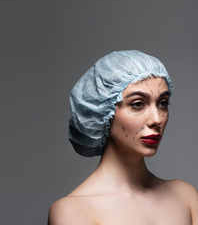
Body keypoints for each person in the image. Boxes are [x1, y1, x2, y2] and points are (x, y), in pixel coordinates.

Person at [48, 50, 198, 225]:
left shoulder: (185, 196)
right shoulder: (72, 211)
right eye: (138, 104)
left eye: (162, 103)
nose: (157, 119)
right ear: (104, 110)